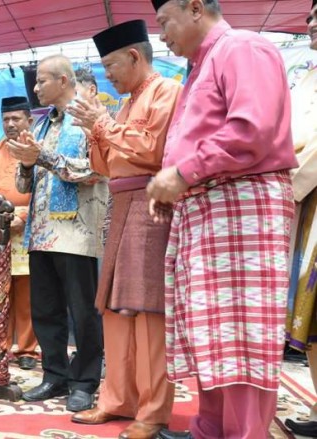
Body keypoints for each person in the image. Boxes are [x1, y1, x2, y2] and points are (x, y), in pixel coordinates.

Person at [146, 1, 298, 438]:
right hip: (210, 206)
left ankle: (245, 434)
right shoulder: (200, 66)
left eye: (165, 22)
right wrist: (175, 185)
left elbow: (251, 130)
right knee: (212, 335)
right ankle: (210, 429)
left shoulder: (242, 47)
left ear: (195, 7)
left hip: (242, 203)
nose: (163, 36)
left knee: (241, 338)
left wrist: (182, 173)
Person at [66, 20, 182, 439]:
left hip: (151, 205)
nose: (107, 75)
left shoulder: (167, 91)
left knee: (148, 311)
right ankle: (117, 399)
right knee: (115, 309)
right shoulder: (124, 103)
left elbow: (152, 150)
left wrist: (103, 124)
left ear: (135, 56)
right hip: (119, 205)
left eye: (111, 65)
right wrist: (93, 128)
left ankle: (153, 412)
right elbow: (102, 167)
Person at [8, 54, 109, 412]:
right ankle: (54, 375)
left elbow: (97, 171)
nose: (35, 89)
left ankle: (84, 381)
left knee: (83, 311)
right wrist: (24, 162)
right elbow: (26, 182)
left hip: (77, 233)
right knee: (46, 309)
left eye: (42, 81)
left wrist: (43, 158)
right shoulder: (39, 126)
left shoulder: (90, 119)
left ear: (64, 81)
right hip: (40, 232)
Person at [0, 96, 39, 371]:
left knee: (27, 295)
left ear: (29, 120)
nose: (11, 124)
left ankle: (26, 350)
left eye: (16, 119)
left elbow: (45, 190)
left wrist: (23, 216)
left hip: (28, 232)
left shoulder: (39, 151)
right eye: (6, 119)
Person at [284, 2, 317, 437]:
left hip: (306, 190)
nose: (310, 24)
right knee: (311, 316)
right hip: (308, 204)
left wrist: (288, 182)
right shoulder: (308, 76)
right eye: (310, 17)